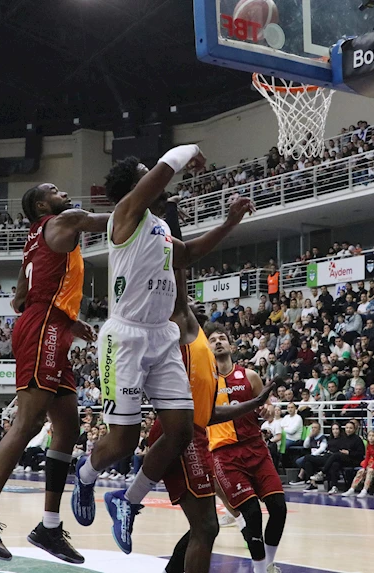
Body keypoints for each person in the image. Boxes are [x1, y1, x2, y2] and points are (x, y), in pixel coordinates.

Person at [70, 146, 254, 555]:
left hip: (161, 336)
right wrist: (190, 151)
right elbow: (167, 166)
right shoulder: (126, 215)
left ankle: (127, 500)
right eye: (145, 172)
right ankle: (84, 475)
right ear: (136, 188)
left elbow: (187, 255)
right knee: (122, 443)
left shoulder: (158, 227)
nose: (154, 176)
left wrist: (229, 222)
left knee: (181, 431)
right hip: (126, 339)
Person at [0, 183, 104, 563]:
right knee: (28, 422)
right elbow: (117, 223)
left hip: (52, 325)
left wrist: (69, 320)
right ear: (43, 205)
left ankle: (49, 527)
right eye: (55, 190)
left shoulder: (34, 240)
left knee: (68, 426)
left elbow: (19, 297)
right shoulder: (65, 220)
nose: (62, 191)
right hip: (43, 329)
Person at [154, 194, 275, 573]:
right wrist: (170, 215)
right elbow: (179, 264)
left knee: (203, 525)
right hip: (181, 429)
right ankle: (129, 499)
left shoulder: (201, 342)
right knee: (206, 525)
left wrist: (254, 405)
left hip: (195, 425)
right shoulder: (181, 326)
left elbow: (210, 412)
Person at [206, 324, 287, 573]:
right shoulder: (204, 381)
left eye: (222, 338)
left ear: (231, 346)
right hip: (224, 454)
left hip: (255, 448)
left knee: (278, 508)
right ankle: (259, 568)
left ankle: (269, 564)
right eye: (213, 340)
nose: (218, 342)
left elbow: (269, 409)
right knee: (252, 513)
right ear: (207, 348)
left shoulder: (249, 376)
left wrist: (265, 410)